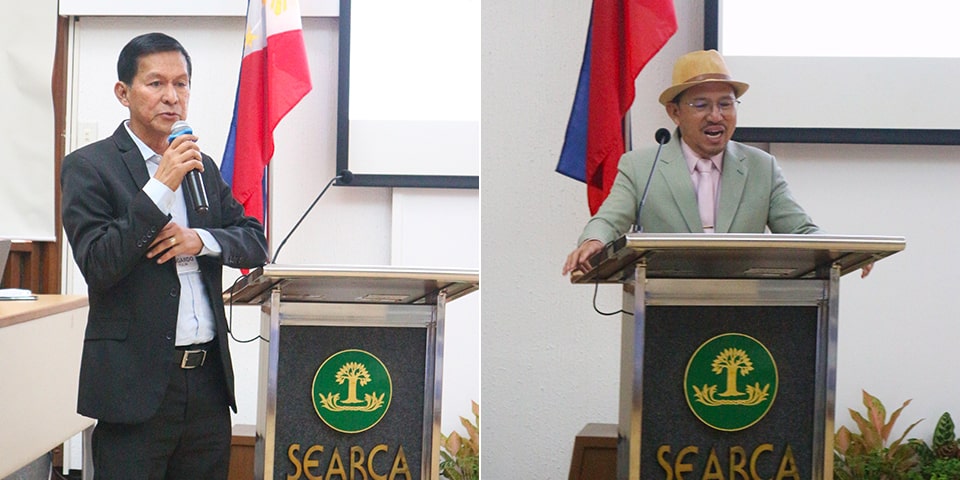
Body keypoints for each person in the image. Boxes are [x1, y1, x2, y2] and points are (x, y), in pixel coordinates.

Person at [61, 32, 268, 479]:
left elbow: (254, 240)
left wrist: (201, 240)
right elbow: (99, 263)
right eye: (156, 84)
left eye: (182, 84)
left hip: (207, 385)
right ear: (124, 92)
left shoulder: (202, 166)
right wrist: (160, 187)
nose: (172, 97)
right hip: (134, 387)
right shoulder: (89, 167)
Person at [562, 49, 870, 276]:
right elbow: (608, 221)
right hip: (664, 310)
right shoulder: (641, 167)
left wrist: (842, 251)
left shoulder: (762, 167)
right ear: (674, 112)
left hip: (747, 311)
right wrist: (592, 241)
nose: (716, 116)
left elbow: (801, 231)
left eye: (726, 104)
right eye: (701, 105)